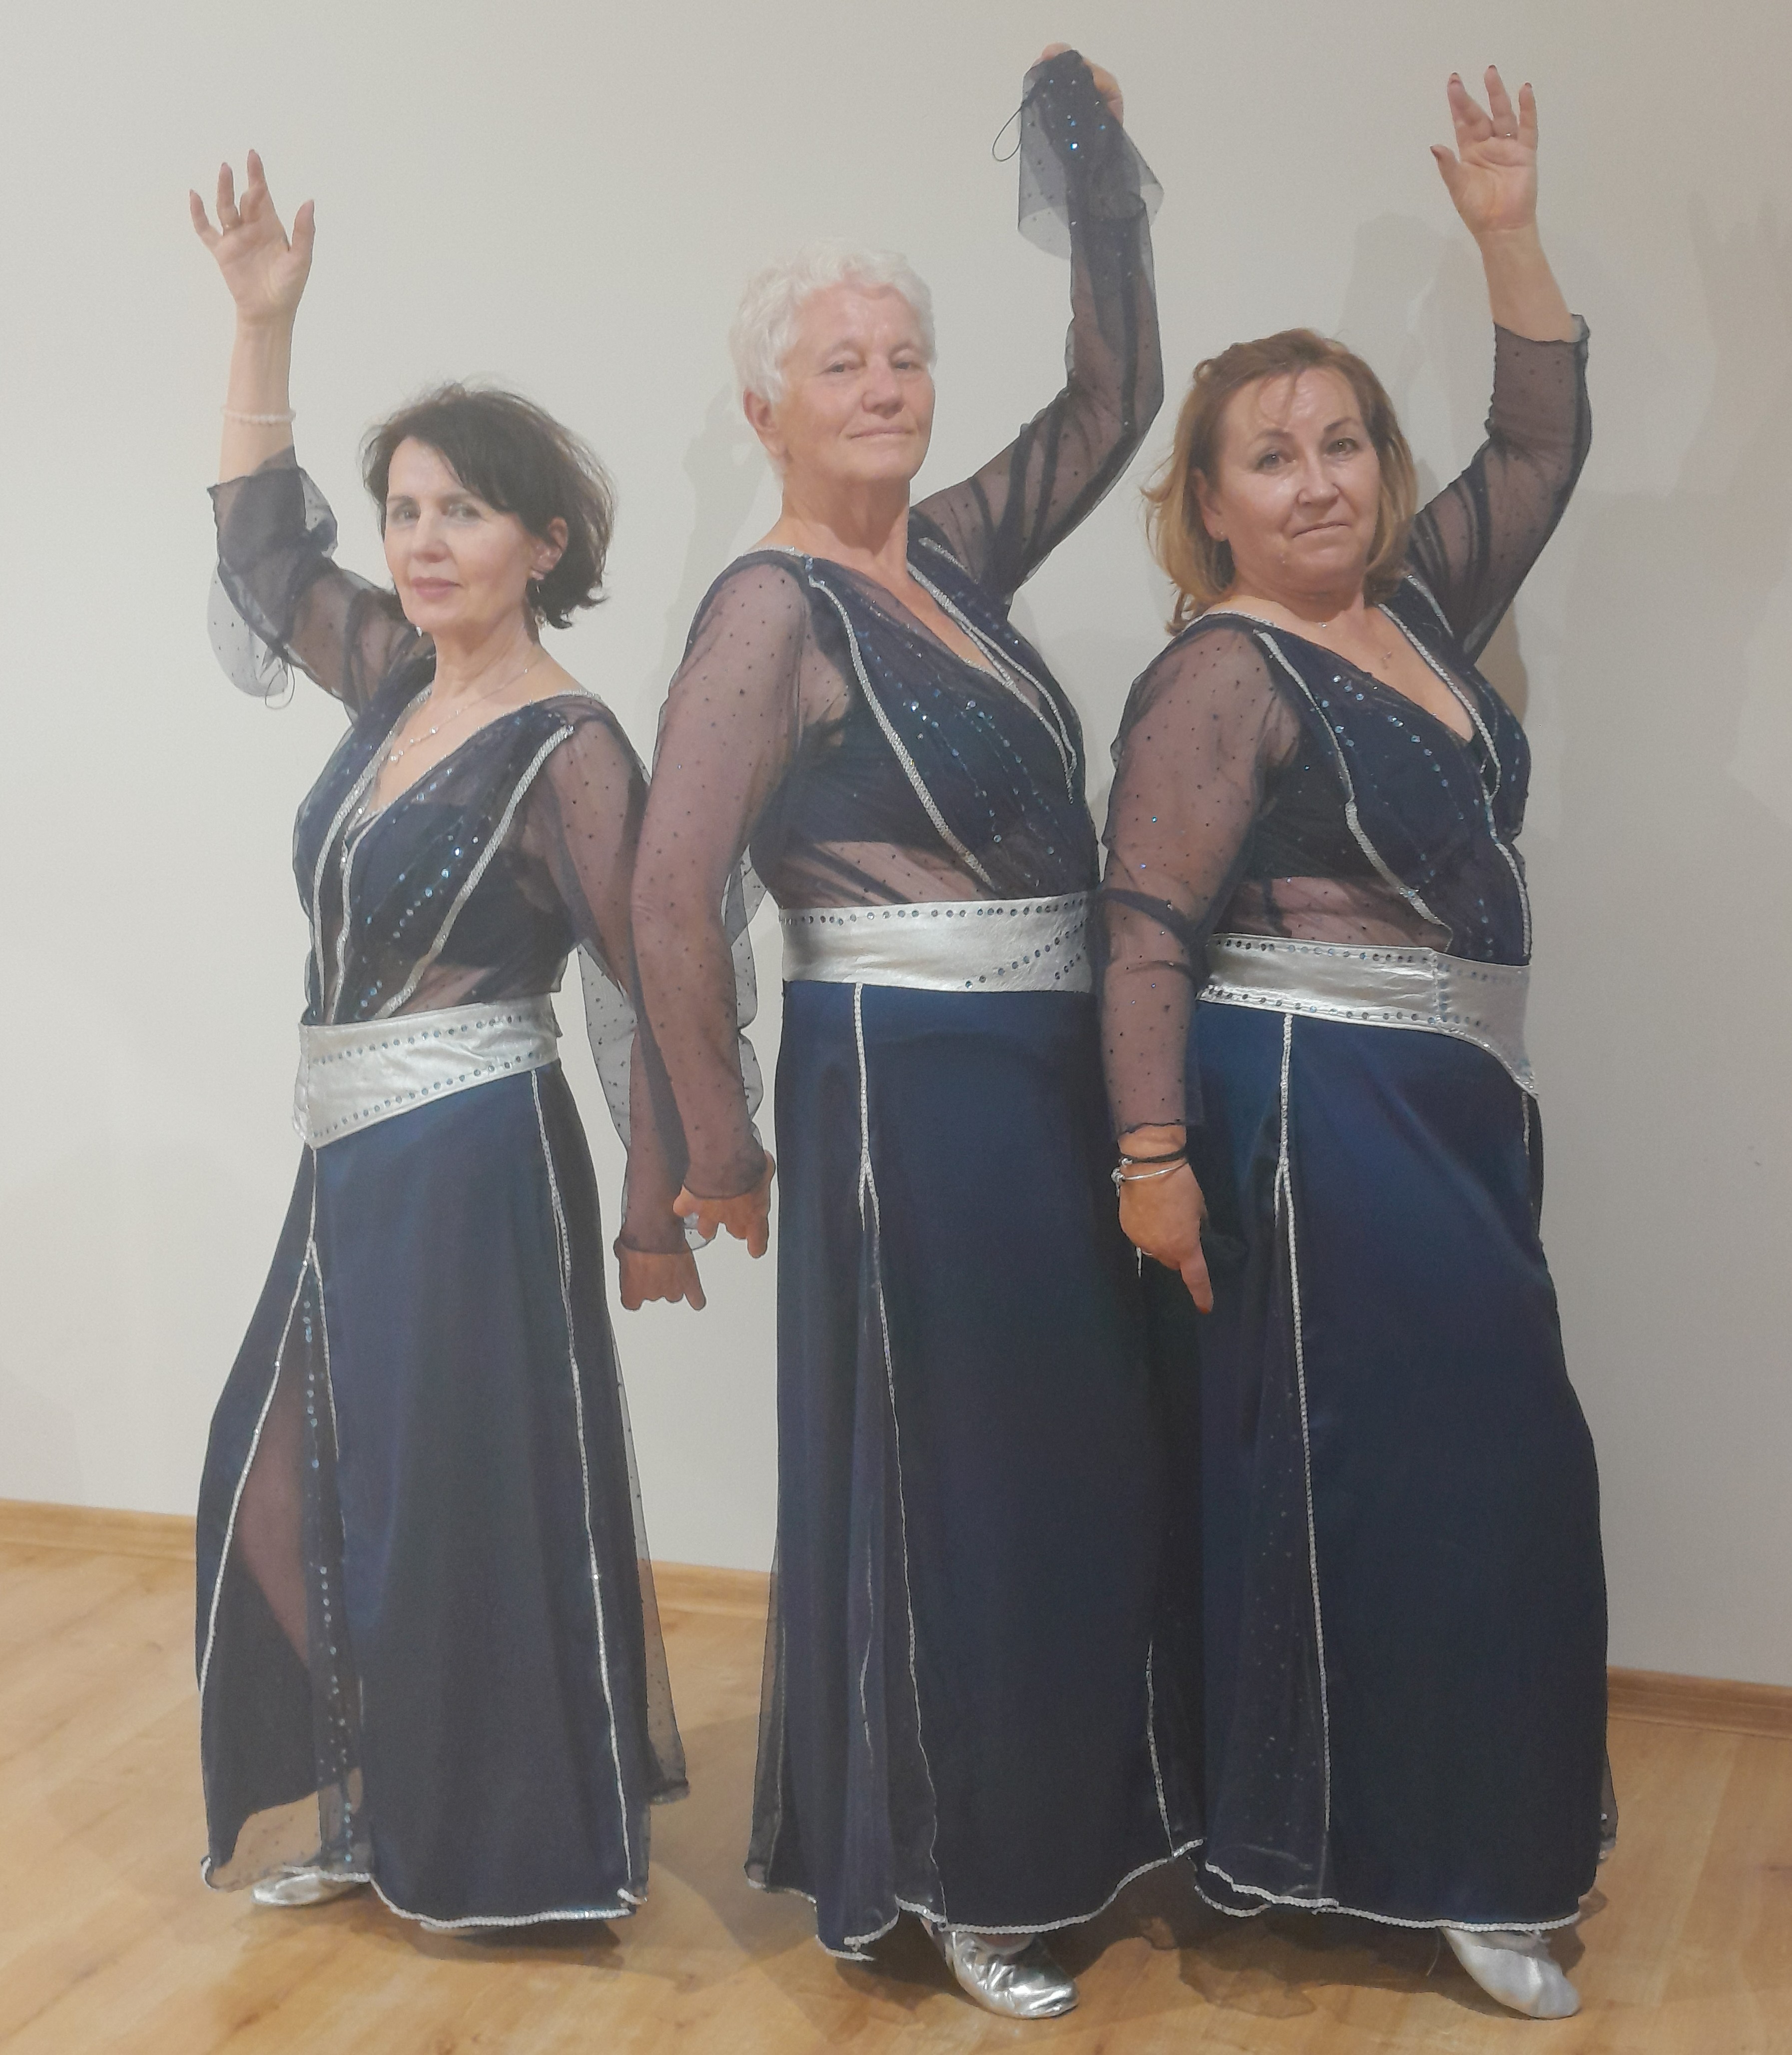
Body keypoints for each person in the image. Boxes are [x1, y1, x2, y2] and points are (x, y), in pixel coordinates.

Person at [629, 48, 1196, 2021]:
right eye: (840, 363)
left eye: (903, 357)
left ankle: (1066, 1822)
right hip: (901, 1086)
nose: (881, 385)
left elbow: (1114, 402)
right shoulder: (768, 611)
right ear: (766, 405)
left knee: (1070, 1459)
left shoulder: (947, 554)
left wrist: (1094, 178)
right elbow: (667, 891)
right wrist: (719, 1143)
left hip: (1044, 1074)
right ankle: (957, 1870)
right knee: (957, 1475)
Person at [1099, 70, 1607, 2020]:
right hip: (1314, 1113)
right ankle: (1453, 1866)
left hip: (1454, 1107)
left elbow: (1542, 439)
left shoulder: (1418, 607)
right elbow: (1146, 932)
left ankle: (1431, 1838)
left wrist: (1505, 234)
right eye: (1269, 457)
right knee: (1440, 1474)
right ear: (1212, 500)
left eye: (1339, 445)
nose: (1312, 481)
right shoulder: (1221, 669)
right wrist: (1154, 1162)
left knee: (1463, 1476)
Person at [188, 153, 699, 1932]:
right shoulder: (397, 680)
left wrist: (657, 1201)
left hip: (479, 1160)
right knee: (295, 1482)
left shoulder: (571, 746)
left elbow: (647, 974)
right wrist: (264, 323)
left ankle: (507, 1851)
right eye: (403, 509)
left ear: (543, 542)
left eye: (460, 512)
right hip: (349, 1157)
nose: (417, 542)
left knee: (457, 1505)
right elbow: (264, 548)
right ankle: (382, 1801)